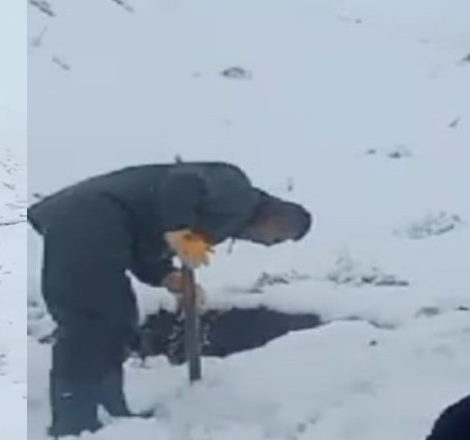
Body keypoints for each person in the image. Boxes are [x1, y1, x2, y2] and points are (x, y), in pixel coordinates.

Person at [28, 160, 312, 437]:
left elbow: (145, 246)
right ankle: (74, 423)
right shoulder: (237, 189)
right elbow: (182, 181)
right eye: (277, 238)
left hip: (105, 225)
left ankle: (110, 413)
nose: (268, 245)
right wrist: (179, 230)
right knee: (92, 319)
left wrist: (169, 277)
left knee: (116, 321)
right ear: (278, 218)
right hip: (92, 214)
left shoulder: (223, 221)